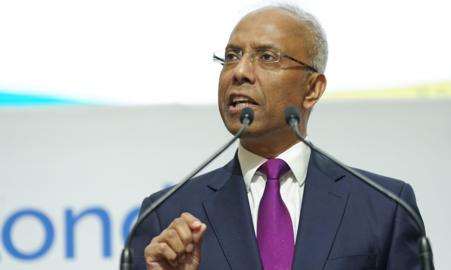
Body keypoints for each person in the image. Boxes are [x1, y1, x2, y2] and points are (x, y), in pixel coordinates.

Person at [131, 4, 423, 270]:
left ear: (312, 89)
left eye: (267, 57)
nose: (240, 72)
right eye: (231, 57)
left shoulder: (385, 207)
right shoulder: (165, 215)